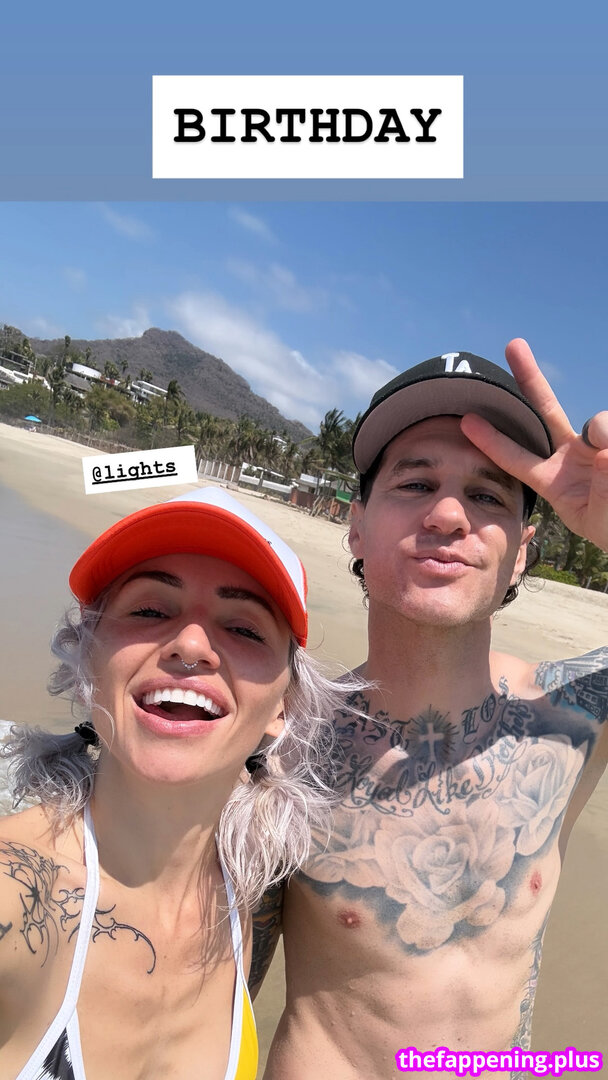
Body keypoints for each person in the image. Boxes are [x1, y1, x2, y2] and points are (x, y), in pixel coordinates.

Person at [253, 339, 608, 1080]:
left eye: (488, 496)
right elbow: (203, 1004)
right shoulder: (280, 751)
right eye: (415, 483)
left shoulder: (571, 720)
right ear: (357, 525)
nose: (448, 515)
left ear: (521, 551)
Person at [0, 485, 359, 1080]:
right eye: (149, 611)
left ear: (283, 708)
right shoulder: (16, 894)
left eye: (244, 628)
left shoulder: (242, 905)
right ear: (87, 656)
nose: (191, 645)